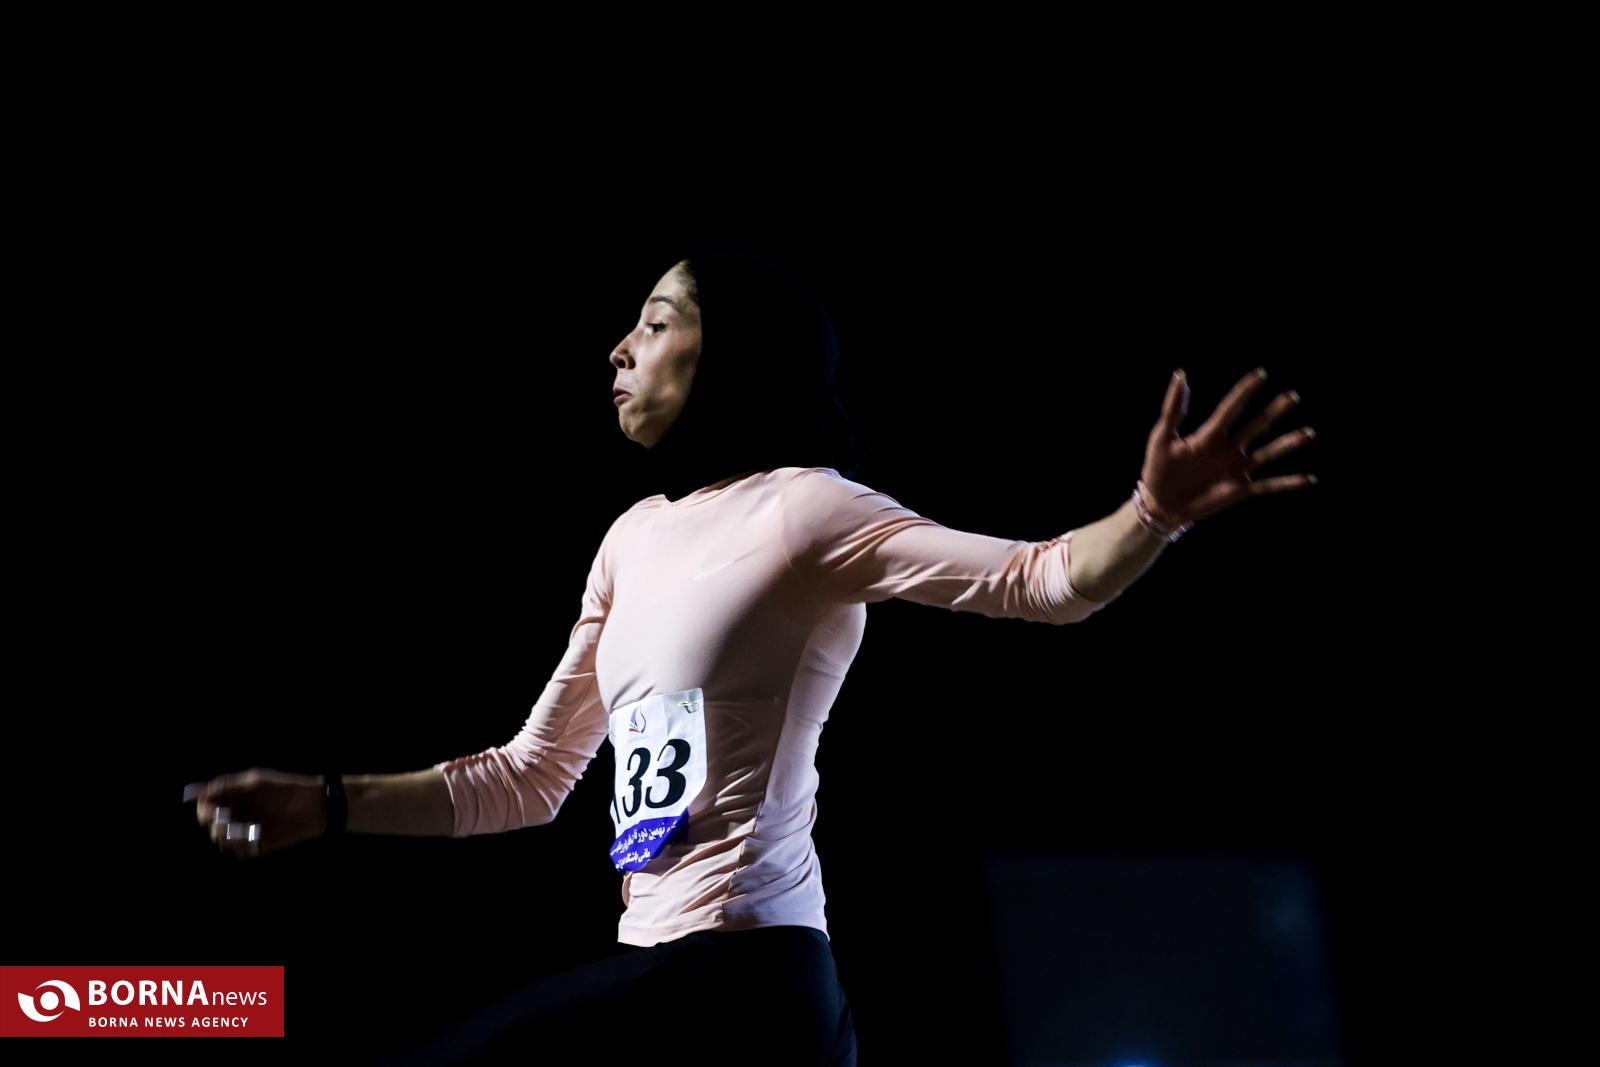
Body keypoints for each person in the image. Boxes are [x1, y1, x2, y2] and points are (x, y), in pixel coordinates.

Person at [184, 248, 1318, 1064]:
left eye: (656, 320)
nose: (619, 347)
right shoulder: (631, 538)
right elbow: (528, 778)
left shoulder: (806, 511)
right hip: (665, 974)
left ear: (733, 352)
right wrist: (328, 802)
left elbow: (1040, 581)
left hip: (743, 980)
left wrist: (1153, 514)